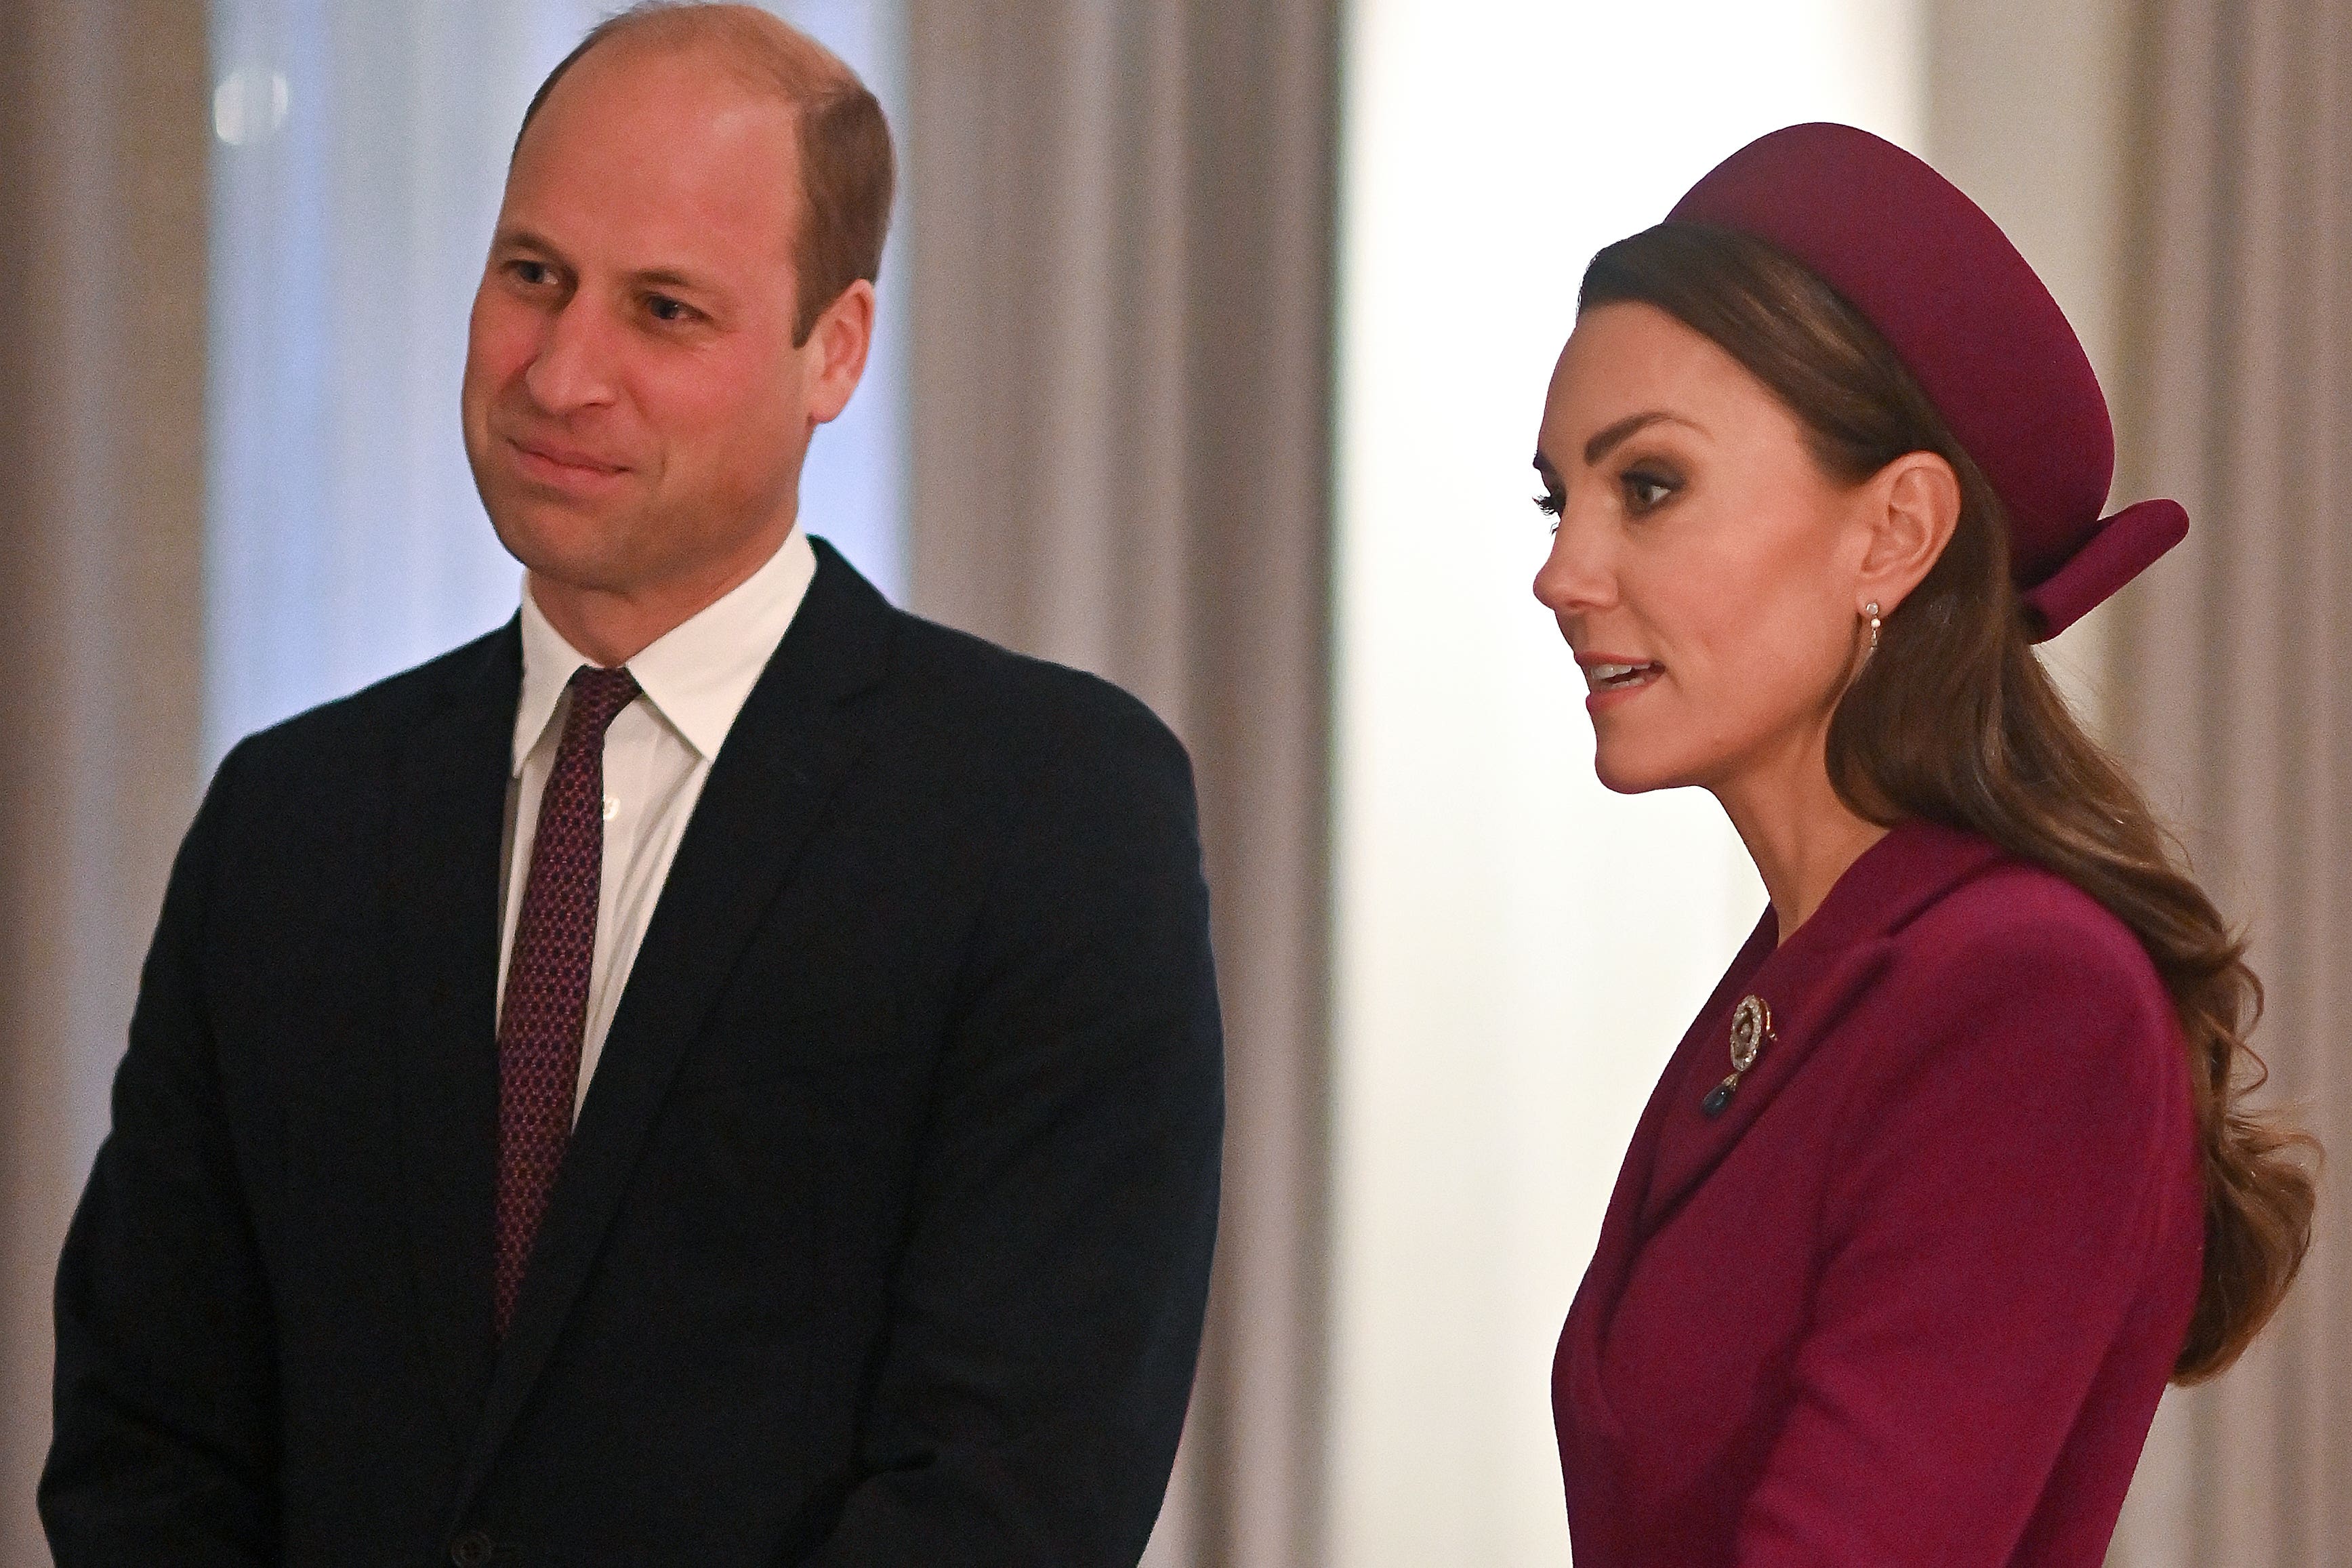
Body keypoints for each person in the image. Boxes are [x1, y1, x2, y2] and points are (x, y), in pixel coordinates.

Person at [41, 6, 1222, 1565]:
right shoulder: (289, 818)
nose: (560, 370)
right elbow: (148, 1444)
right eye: (533, 274)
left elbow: (1013, 1484)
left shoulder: (1049, 810)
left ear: (834, 351)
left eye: (664, 310)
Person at [1535, 123, 2316, 1566]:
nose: (1560, 571)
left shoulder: (2018, 994)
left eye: (1645, 486)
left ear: (1893, 530)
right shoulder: (1807, 975)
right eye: (1555, 497)